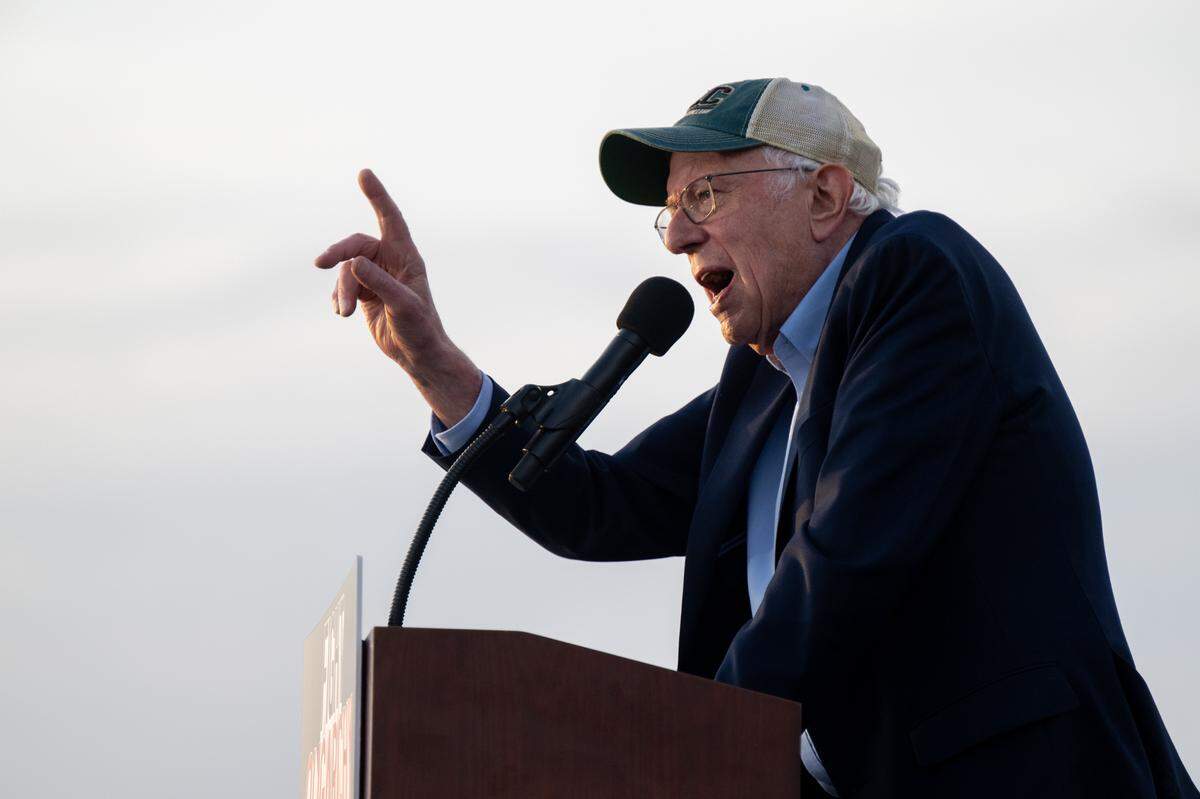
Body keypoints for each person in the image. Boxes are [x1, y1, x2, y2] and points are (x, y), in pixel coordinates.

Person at [313, 78, 1197, 798]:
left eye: (705, 194)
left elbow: (846, 561)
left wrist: (680, 751)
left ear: (824, 194)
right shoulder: (763, 385)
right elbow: (600, 506)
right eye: (670, 210)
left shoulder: (918, 276)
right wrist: (435, 366)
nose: (680, 236)